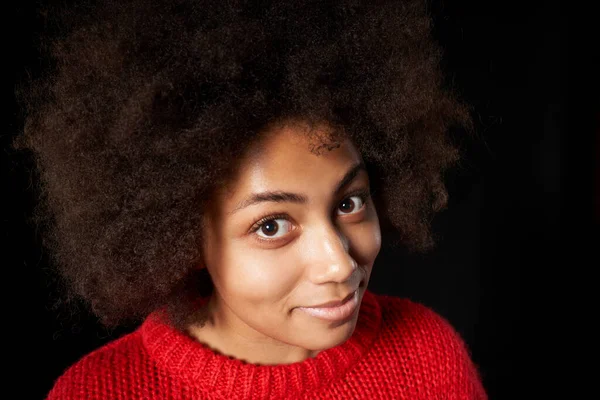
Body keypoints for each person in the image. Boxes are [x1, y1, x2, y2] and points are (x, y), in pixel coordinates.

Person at [15, 0, 487, 398]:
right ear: (183, 239)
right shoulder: (99, 391)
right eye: (272, 225)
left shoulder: (428, 360)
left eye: (349, 203)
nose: (339, 265)